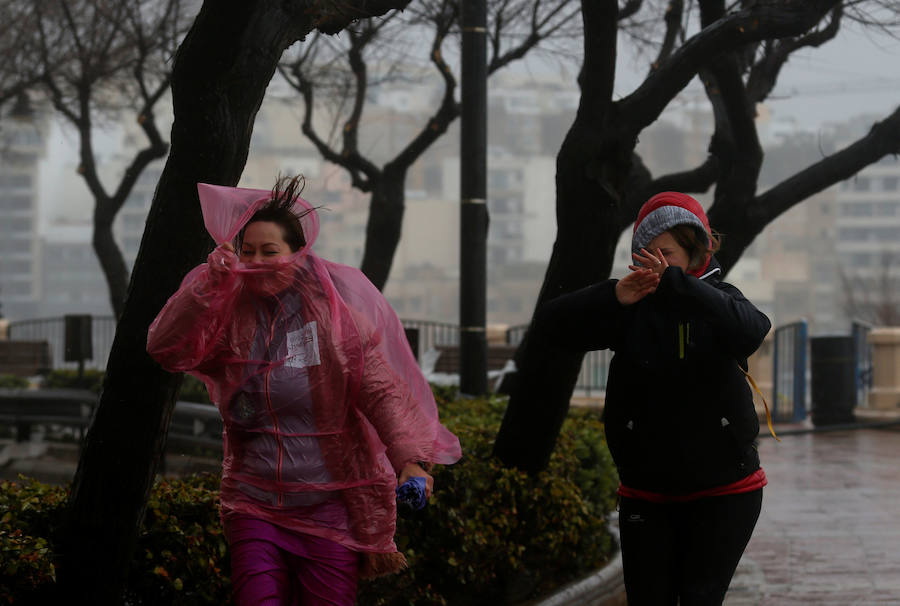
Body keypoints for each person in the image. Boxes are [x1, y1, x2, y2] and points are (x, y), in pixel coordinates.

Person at [147, 175, 461, 606]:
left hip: (328, 509)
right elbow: (167, 347)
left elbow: (383, 394)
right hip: (253, 503)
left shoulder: (336, 322)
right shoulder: (227, 316)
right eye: (248, 251)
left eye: (270, 251)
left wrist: (411, 462)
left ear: (297, 252)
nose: (257, 261)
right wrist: (205, 288)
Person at [531, 192, 771, 605]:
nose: (655, 264)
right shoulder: (630, 304)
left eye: (666, 254)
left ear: (694, 252)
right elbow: (551, 326)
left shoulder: (719, 298)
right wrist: (612, 297)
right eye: (647, 254)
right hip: (647, 493)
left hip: (726, 490)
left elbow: (753, 329)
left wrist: (681, 287)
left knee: (699, 597)